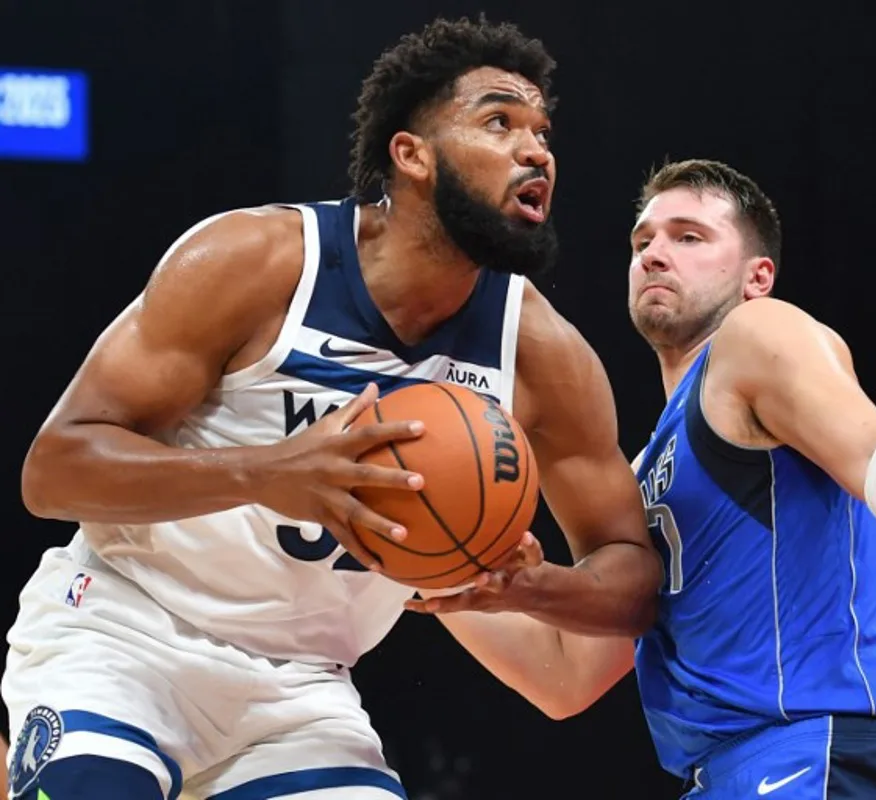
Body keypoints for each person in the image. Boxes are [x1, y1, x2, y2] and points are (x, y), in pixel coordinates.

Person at [3, 16, 661, 800]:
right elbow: (55, 471)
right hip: (122, 635)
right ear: (410, 155)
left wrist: (518, 587)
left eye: (543, 131)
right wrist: (263, 472)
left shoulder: (544, 355)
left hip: (301, 691)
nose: (536, 150)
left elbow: (634, 580)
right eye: (499, 121)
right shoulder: (257, 261)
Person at [406, 159, 876, 799]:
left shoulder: (756, 334)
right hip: (730, 774)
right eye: (642, 241)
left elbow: (872, 442)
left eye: (689, 237)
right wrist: (423, 565)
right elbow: (565, 677)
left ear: (758, 276)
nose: (653, 254)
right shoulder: (644, 470)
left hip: (817, 750)